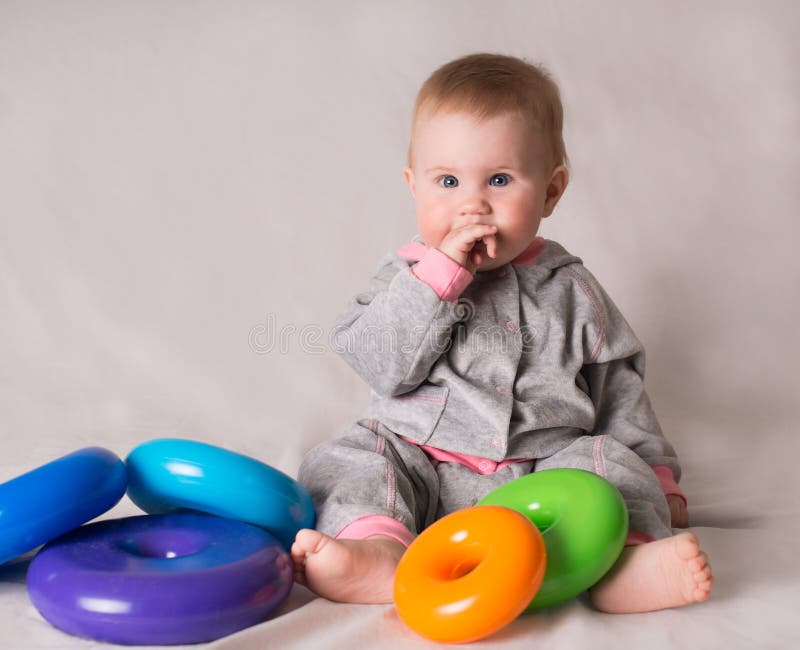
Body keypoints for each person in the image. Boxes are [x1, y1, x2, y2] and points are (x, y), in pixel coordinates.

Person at [291, 52, 713, 614]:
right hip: (421, 460)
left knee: (610, 465)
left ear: (551, 191)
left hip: (545, 467)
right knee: (352, 458)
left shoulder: (571, 288)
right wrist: (439, 280)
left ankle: (622, 566)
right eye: (447, 181)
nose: (472, 204)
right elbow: (380, 363)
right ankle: (378, 549)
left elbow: (618, 388)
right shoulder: (405, 277)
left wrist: (657, 472)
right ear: (413, 187)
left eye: (499, 179)